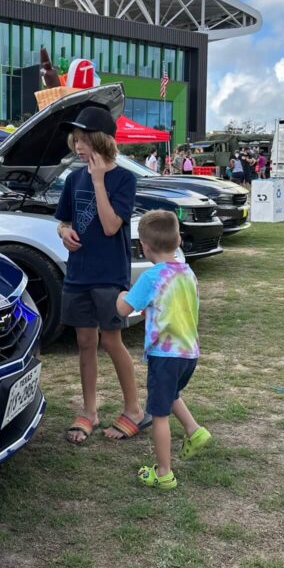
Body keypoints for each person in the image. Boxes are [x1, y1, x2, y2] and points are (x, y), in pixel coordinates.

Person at [55, 105, 147, 444]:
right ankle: (90, 411)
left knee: (111, 340)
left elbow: (110, 226)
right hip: (78, 273)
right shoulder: (73, 178)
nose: (79, 147)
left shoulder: (124, 179)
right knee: (85, 342)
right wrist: (63, 233)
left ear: (103, 140)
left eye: (85, 140)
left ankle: (134, 409)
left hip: (109, 274)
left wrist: (97, 181)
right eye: (75, 140)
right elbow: (63, 220)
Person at [116, 210, 210, 490]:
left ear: (143, 247)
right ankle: (195, 431)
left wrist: (122, 295)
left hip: (164, 357)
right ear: (179, 239)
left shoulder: (151, 276)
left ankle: (164, 473)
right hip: (189, 353)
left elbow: (123, 309)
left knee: (159, 414)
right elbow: (175, 307)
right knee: (171, 395)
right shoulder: (187, 272)